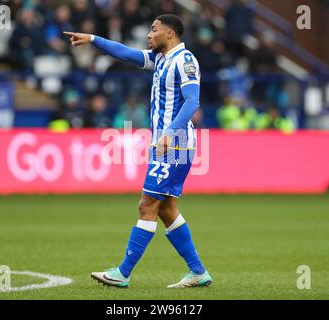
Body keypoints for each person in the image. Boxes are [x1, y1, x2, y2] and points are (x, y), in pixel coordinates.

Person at [64, 14, 212, 289]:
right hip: (166, 144)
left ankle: (123, 272)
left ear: (170, 34)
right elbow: (127, 54)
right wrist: (94, 39)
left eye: (153, 30)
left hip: (175, 144)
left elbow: (192, 102)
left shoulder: (185, 60)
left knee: (146, 205)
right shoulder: (161, 59)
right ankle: (198, 272)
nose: (148, 35)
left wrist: (169, 133)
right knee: (166, 209)